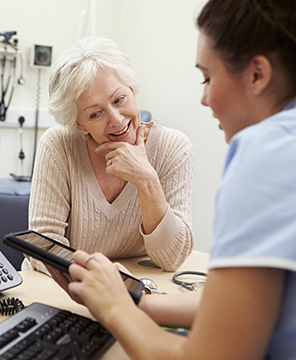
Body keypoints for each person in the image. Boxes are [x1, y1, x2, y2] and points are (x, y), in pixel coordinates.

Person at [65, 1, 296, 359]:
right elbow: (248, 303)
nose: (204, 98)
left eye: (207, 77)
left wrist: (113, 309)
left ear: (257, 75)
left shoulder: (270, 151)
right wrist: (139, 302)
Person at [27, 36, 195, 273]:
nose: (116, 120)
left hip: (135, 291)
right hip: (59, 286)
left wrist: (146, 179)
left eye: (119, 99)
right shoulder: (59, 146)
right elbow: (43, 246)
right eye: (95, 114)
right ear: (80, 125)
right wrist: (103, 276)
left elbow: (172, 258)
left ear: (133, 91)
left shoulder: (174, 147)